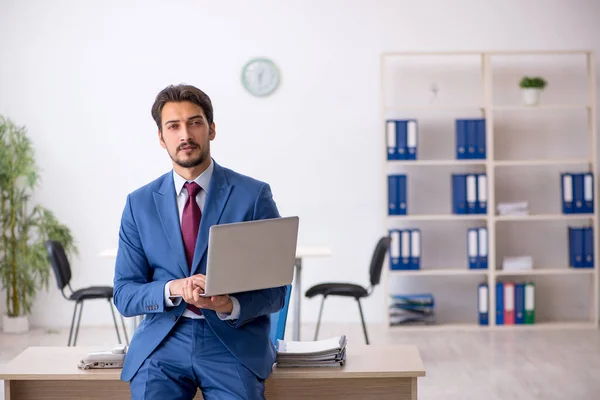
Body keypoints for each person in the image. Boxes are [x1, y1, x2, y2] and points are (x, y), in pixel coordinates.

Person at [113, 84, 286, 400]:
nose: (185, 135)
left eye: (194, 122)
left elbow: (275, 293)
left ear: (212, 129)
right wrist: (174, 288)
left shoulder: (253, 195)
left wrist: (229, 304)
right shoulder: (139, 204)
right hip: (163, 343)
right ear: (161, 138)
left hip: (232, 342)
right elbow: (125, 294)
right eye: (173, 126)